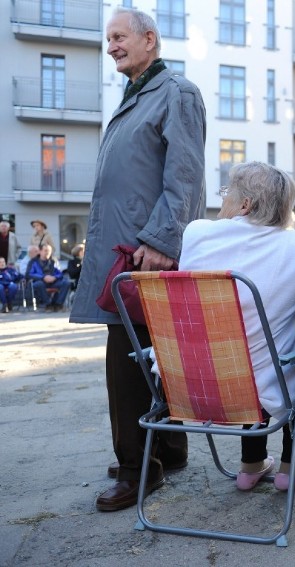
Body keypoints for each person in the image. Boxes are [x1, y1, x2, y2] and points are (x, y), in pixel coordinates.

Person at [68, 6, 206, 512]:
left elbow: (184, 176)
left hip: (145, 256)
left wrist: (163, 241)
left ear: (150, 39)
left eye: (120, 37)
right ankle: (167, 448)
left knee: (126, 359)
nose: (112, 46)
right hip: (128, 252)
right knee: (148, 352)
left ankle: (136, 468)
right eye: (108, 40)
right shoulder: (138, 95)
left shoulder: (177, 92)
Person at [179, 162, 295, 491]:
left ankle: (252, 463)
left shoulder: (195, 234)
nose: (222, 200)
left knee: (241, 341)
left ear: (245, 205)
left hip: (190, 385)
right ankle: (291, 465)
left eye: (227, 193)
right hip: (257, 389)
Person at [27, 244, 70, 312]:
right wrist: (43, 277)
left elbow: (60, 273)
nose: (48, 252)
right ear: (40, 251)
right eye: (46, 250)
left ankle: (58, 304)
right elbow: (29, 274)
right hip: (40, 281)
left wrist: (54, 277)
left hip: (53, 281)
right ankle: (48, 305)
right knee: (39, 284)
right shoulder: (33, 262)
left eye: (49, 251)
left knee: (66, 283)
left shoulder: (53, 261)